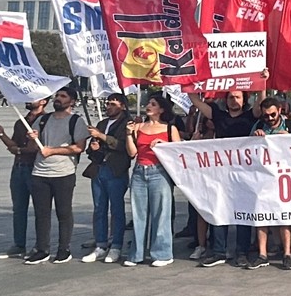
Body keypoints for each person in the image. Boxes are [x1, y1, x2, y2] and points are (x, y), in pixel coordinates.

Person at [189, 89, 262, 268]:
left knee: (243, 213)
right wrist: (187, 84)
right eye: (230, 97)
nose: (233, 100)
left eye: (237, 97)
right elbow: (196, 102)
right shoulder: (218, 115)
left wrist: (262, 84)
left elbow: (261, 101)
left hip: (244, 173)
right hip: (221, 174)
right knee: (219, 210)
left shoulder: (250, 116)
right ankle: (219, 252)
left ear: (244, 100)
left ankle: (242, 253)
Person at [23, 87, 90, 265]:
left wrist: (53, 151)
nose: (58, 99)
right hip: (40, 172)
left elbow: (79, 147)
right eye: (57, 96)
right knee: (41, 213)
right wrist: (32, 138)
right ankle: (42, 249)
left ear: (72, 101)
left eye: (63, 96)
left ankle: (63, 249)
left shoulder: (76, 121)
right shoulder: (43, 120)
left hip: (63, 173)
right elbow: (34, 146)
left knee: (64, 212)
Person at [123, 94, 182, 267]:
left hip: (159, 172)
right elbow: (132, 152)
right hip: (139, 171)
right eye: (148, 103)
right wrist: (128, 134)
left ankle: (162, 254)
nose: (148, 106)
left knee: (161, 214)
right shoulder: (139, 126)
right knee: (138, 214)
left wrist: (164, 145)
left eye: (153, 104)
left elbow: (179, 151)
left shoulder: (170, 129)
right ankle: (136, 254)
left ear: (161, 109)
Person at [0, 97, 47, 259]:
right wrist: (1, 134)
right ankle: (19, 245)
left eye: (34, 98)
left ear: (43, 101)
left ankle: (40, 246)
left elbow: (36, 148)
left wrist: (20, 150)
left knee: (40, 210)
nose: (28, 101)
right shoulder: (21, 122)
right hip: (18, 169)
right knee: (19, 209)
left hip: (35, 169)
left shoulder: (46, 121)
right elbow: (13, 145)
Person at [248, 96, 291, 270]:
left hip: (285, 177)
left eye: (273, 115)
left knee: (284, 216)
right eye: (266, 116)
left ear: (279, 111)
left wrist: (289, 138)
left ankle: (287, 253)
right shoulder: (259, 125)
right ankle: (262, 254)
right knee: (261, 215)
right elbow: (247, 149)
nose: (270, 119)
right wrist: (255, 137)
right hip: (263, 178)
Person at [82, 93, 131, 264]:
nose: (108, 107)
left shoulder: (127, 123)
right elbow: (92, 148)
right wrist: (94, 147)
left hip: (116, 170)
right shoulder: (102, 123)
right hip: (99, 169)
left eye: (113, 104)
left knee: (116, 209)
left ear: (122, 106)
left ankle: (116, 245)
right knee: (99, 208)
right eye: (108, 103)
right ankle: (100, 244)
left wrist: (102, 136)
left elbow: (123, 146)